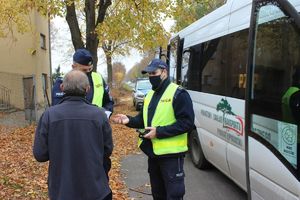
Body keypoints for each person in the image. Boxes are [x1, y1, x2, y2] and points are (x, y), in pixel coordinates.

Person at [111, 59, 195, 200]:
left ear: (164, 72)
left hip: (172, 157)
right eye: (149, 74)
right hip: (154, 155)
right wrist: (129, 120)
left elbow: (187, 123)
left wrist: (159, 132)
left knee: (174, 196)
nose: (151, 76)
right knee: (158, 195)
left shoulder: (179, 93)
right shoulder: (150, 95)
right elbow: (143, 120)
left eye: (154, 73)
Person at [33, 70, 113, 200]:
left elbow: (40, 154)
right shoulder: (100, 115)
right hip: (95, 189)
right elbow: (107, 150)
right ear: (87, 89)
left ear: (62, 87)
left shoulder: (49, 115)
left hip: (62, 190)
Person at [52, 48, 114, 118]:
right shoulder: (62, 81)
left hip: (96, 124)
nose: (88, 72)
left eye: (90, 69)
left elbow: (109, 102)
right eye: (84, 70)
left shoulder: (98, 78)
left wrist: (104, 114)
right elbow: (58, 107)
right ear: (73, 67)